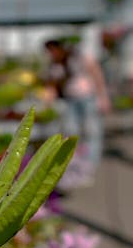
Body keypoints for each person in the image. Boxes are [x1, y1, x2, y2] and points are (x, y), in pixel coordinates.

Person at [44, 39, 111, 186]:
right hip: (70, 100)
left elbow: (97, 75)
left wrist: (103, 97)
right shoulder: (56, 65)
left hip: (87, 97)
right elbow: (53, 85)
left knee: (92, 130)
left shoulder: (79, 57)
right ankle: (78, 164)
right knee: (72, 132)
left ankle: (90, 165)